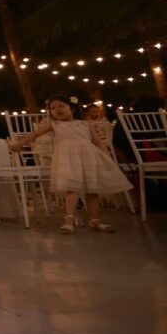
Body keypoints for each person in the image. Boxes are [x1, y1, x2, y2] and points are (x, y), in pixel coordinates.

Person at [9, 94, 132, 233]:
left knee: (92, 190)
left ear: (72, 108)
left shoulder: (85, 124)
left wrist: (107, 156)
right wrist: (20, 144)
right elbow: (35, 134)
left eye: (61, 106)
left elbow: (97, 142)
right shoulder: (55, 124)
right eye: (53, 108)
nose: (57, 110)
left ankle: (95, 220)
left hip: (89, 158)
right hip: (68, 160)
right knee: (71, 188)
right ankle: (69, 220)